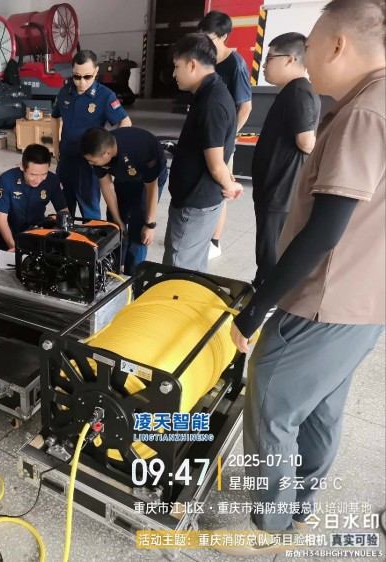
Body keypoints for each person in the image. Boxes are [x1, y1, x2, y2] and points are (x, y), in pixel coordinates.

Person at [226, 0, 384, 553]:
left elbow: (323, 231)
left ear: (337, 44)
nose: (306, 58)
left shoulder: (364, 114)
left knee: (271, 407)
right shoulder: (370, 103)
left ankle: (269, 529)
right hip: (365, 302)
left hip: (324, 302)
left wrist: (256, 309)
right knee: (320, 408)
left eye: (311, 45)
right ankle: (298, 511)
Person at [162, 34, 243, 273]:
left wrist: (229, 185)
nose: (174, 74)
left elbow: (216, 163)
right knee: (191, 265)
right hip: (194, 198)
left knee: (179, 268)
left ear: (192, 65)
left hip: (195, 202)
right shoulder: (209, 93)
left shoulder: (212, 102)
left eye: (177, 66)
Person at [251, 33, 320, 289]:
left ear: (290, 59)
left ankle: (267, 296)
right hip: (274, 186)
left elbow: (306, 142)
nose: (264, 65)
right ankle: (263, 286)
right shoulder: (291, 91)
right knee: (267, 246)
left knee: (272, 249)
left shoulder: (300, 92)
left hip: (281, 189)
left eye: (269, 58)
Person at [198, 11, 253, 259]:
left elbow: (245, 107)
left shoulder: (235, 65)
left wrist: (228, 139)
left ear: (223, 37)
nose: (204, 43)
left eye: (209, 38)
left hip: (221, 140)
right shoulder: (207, 60)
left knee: (221, 188)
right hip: (207, 136)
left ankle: (215, 242)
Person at [52, 50, 131, 220]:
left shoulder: (105, 96)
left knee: (90, 210)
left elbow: (125, 121)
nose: (81, 82)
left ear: (96, 72)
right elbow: (54, 117)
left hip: (90, 164)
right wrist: (56, 145)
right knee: (64, 208)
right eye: (77, 77)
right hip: (66, 159)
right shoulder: (65, 92)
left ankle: (92, 236)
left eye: (87, 77)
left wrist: (109, 152)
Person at [80, 127, 168, 274]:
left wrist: (150, 225)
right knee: (115, 227)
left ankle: (133, 275)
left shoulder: (141, 150)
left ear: (107, 154)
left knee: (139, 229)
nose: (90, 164)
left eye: (92, 161)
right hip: (124, 176)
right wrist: (118, 221)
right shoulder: (100, 151)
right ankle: (114, 269)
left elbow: (151, 189)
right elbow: (106, 185)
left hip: (149, 180)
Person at [0, 144, 68, 252]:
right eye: (33, 174)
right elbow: (1, 219)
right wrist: (14, 247)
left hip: (38, 229)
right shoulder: (7, 179)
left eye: (43, 174)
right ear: (22, 167)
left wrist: (59, 230)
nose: (38, 179)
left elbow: (63, 211)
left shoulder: (52, 180)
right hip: (11, 231)